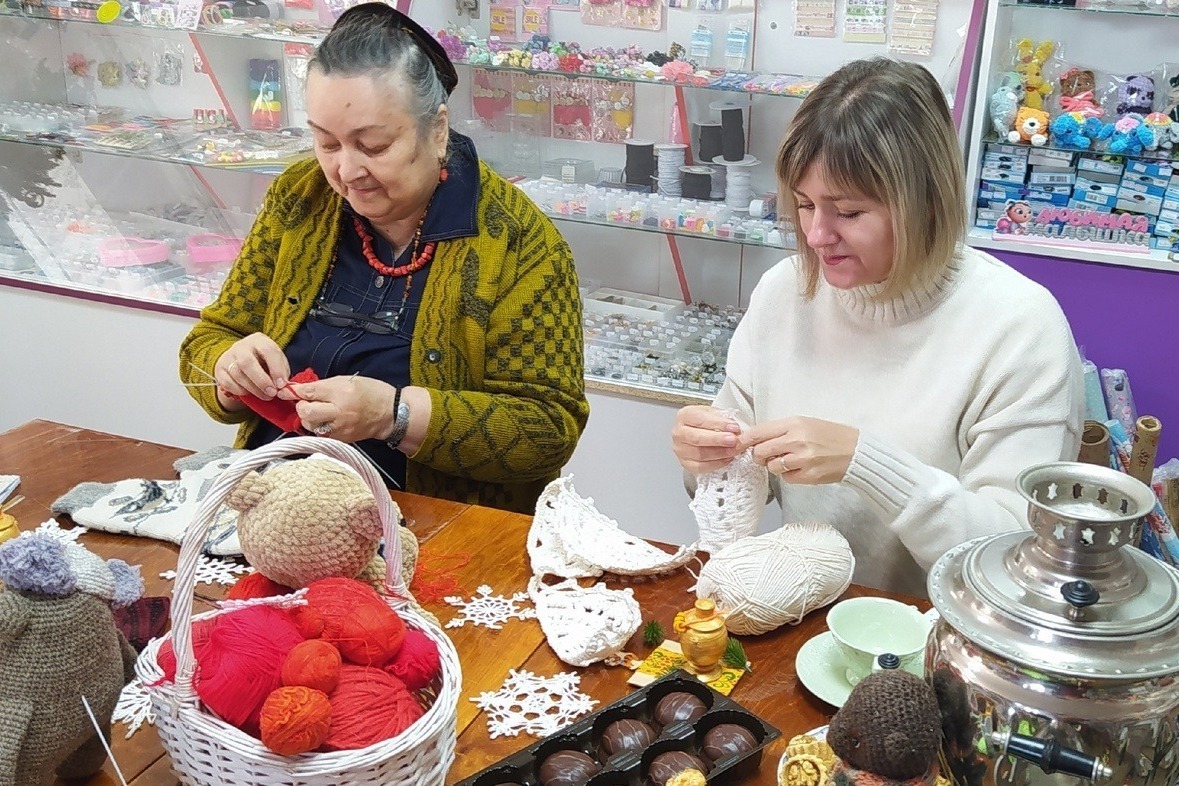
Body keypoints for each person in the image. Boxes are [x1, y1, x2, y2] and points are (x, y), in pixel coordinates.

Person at [671, 58, 1085, 596]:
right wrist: (706, 456)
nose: (816, 236)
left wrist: (867, 464)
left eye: (847, 212)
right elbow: (738, 475)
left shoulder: (1019, 327)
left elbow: (1011, 560)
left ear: (925, 204)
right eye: (804, 205)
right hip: (808, 610)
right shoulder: (785, 292)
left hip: (944, 625)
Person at [179, 3, 589, 514]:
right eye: (326, 143)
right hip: (272, 505)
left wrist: (394, 415)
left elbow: (547, 431)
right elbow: (209, 340)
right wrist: (230, 370)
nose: (347, 171)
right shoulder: (302, 196)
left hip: (429, 524)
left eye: (373, 145)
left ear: (437, 130)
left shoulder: (519, 244)